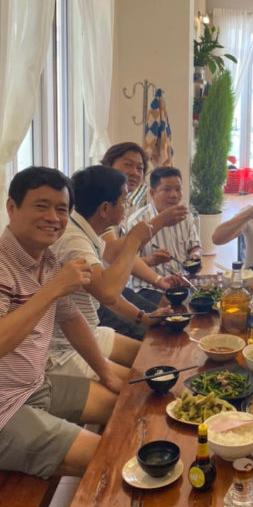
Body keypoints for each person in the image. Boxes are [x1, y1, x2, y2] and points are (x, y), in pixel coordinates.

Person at [0, 167, 123, 478]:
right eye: (41, 206)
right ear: (12, 207)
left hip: (34, 386)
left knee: (123, 407)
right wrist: (53, 289)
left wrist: (107, 374)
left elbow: (72, 319)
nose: (53, 217)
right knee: (110, 460)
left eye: (61, 209)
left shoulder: (47, 261)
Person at [47, 166, 168, 378]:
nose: (126, 207)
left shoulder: (84, 230)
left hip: (89, 332)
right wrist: (134, 241)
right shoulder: (74, 240)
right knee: (144, 382)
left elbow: (103, 290)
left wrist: (143, 317)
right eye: (123, 201)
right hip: (64, 349)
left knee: (157, 358)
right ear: (104, 208)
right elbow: (108, 292)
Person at [98, 143, 188, 337]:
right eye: (128, 165)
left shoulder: (125, 202)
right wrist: (159, 221)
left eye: (139, 168)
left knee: (167, 320)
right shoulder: (102, 200)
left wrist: (158, 280)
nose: (134, 172)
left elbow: (127, 252)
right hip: (98, 296)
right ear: (109, 164)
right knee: (159, 332)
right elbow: (112, 253)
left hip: (118, 289)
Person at [128, 166, 201, 305]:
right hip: (148, 287)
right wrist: (151, 260)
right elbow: (127, 264)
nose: (174, 195)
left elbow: (195, 246)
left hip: (182, 283)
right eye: (167, 189)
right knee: (171, 307)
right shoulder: (136, 221)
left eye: (178, 189)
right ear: (152, 193)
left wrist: (195, 256)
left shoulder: (186, 216)